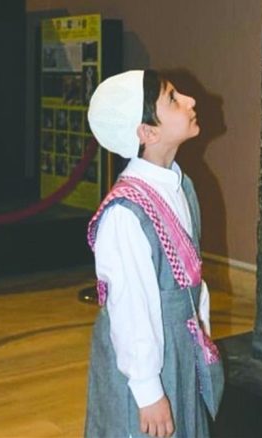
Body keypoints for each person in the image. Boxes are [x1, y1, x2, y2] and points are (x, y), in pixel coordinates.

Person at [84, 70, 222, 437]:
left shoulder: (180, 186)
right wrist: (148, 392)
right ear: (147, 132)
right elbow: (130, 306)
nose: (190, 101)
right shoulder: (125, 214)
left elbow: (191, 282)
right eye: (173, 99)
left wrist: (200, 331)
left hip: (180, 347)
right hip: (146, 359)